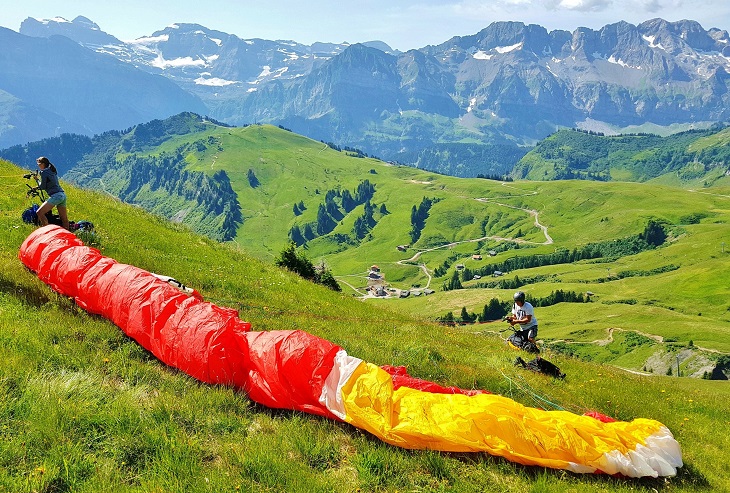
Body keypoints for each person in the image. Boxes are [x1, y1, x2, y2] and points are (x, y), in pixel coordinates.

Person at [28, 156, 69, 230]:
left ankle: (47, 233)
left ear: (43, 164)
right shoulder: (52, 170)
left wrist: (36, 183)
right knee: (64, 219)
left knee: (39, 213)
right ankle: (68, 237)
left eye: (39, 164)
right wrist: (37, 180)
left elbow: (42, 186)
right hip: (62, 195)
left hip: (56, 196)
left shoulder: (43, 172)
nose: (38, 165)